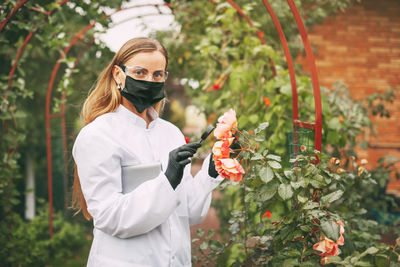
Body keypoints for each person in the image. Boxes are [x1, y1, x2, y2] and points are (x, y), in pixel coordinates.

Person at [71, 37, 223, 267]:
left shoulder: (170, 133)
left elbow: (189, 212)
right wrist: (167, 180)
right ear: (117, 74)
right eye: (140, 72)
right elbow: (111, 216)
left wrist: (211, 170)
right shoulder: (97, 135)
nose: (149, 80)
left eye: (157, 75)